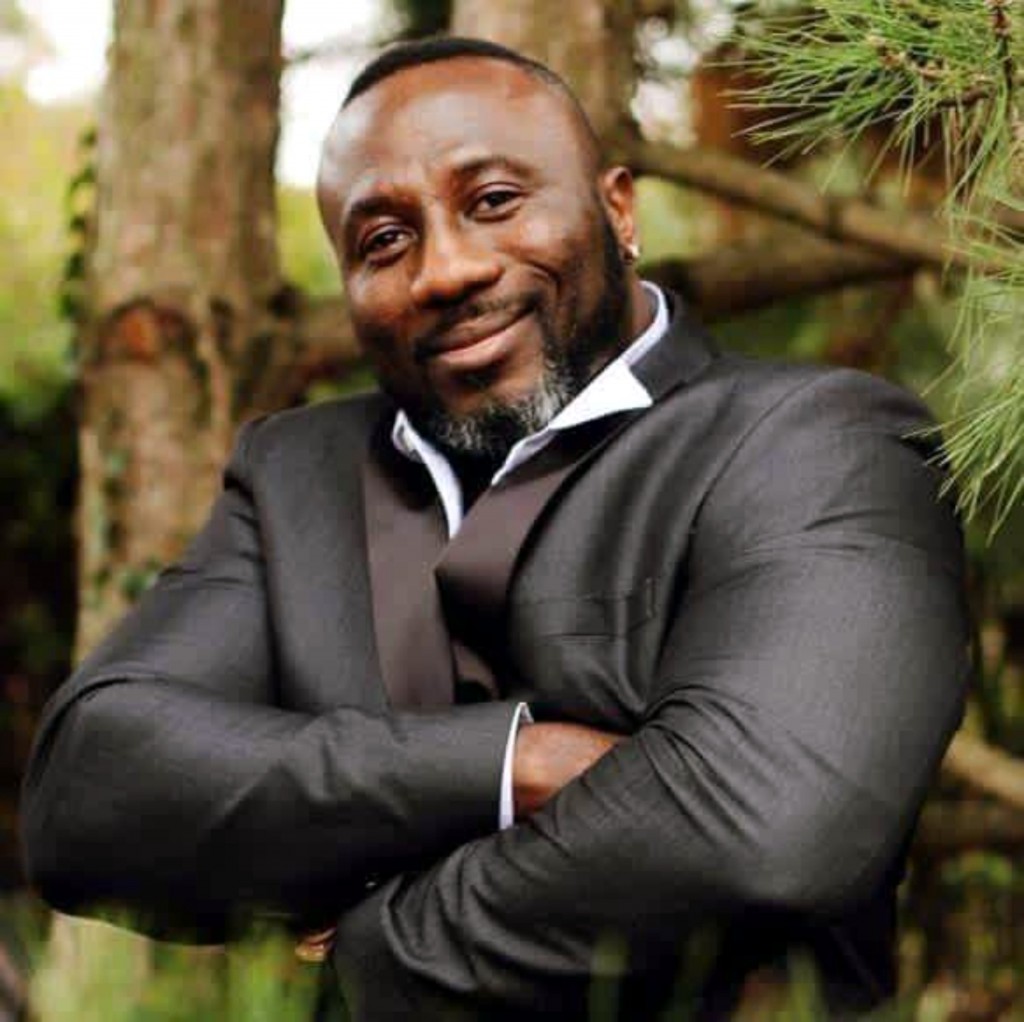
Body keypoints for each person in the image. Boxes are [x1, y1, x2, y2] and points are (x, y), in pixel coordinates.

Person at [21, 36, 969, 1022]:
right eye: (383, 241)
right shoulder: (295, 474)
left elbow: (764, 833)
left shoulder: (815, 441)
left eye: (495, 201)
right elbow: (90, 795)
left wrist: (373, 945)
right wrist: (512, 765)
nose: (446, 269)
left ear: (618, 210)